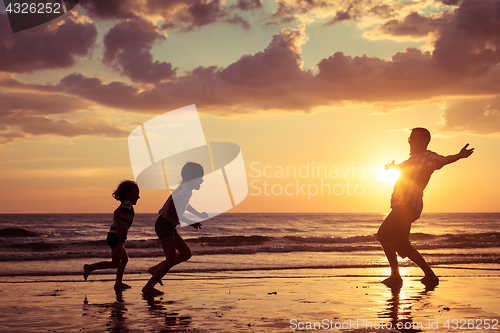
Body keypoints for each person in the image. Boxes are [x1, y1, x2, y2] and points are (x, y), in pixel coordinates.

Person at [378, 127, 474, 287]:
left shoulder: (427, 157)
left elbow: (442, 161)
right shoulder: (412, 160)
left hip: (407, 206)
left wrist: (459, 155)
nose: (409, 141)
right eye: (409, 139)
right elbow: (402, 167)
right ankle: (430, 276)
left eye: (413, 139)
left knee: (384, 235)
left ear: (423, 141)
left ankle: (395, 276)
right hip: (401, 206)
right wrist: (392, 168)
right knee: (402, 245)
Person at [143, 162, 209, 295]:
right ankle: (148, 287)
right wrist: (191, 222)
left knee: (186, 254)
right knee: (171, 259)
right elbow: (179, 212)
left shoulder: (187, 190)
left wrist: (197, 214)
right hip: (164, 224)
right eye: (199, 177)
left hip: (169, 225)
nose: (202, 180)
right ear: (191, 177)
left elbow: (185, 206)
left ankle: (156, 269)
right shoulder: (183, 190)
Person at [83, 180, 140, 290]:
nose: (138, 197)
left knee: (124, 259)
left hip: (116, 235)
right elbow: (116, 213)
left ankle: (118, 283)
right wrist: (119, 228)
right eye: (136, 194)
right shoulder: (127, 204)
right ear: (127, 195)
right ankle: (89, 267)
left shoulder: (126, 204)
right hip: (117, 235)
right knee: (115, 263)